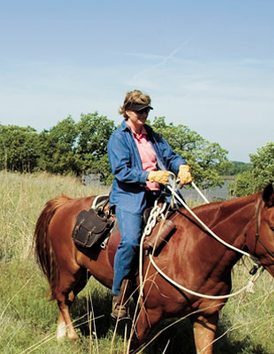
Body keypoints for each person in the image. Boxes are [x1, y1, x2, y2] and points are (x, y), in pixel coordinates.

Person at [106, 89, 193, 321]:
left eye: (147, 110)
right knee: (131, 241)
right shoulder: (118, 138)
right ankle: (119, 298)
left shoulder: (152, 135)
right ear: (127, 111)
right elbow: (121, 171)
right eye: (139, 110)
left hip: (160, 195)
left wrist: (182, 167)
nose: (144, 114)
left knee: (189, 228)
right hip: (130, 196)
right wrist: (149, 176)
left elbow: (171, 156)